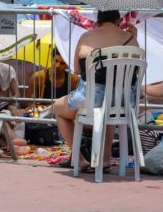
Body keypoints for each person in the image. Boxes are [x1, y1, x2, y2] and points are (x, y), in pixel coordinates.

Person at [53, 10, 139, 171]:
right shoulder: (131, 39)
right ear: (118, 21)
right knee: (109, 105)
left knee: (58, 108)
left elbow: (77, 71)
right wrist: (135, 37)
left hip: (92, 101)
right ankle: (105, 159)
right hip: (124, 102)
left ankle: (78, 159)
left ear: (97, 22)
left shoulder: (87, 37)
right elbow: (137, 69)